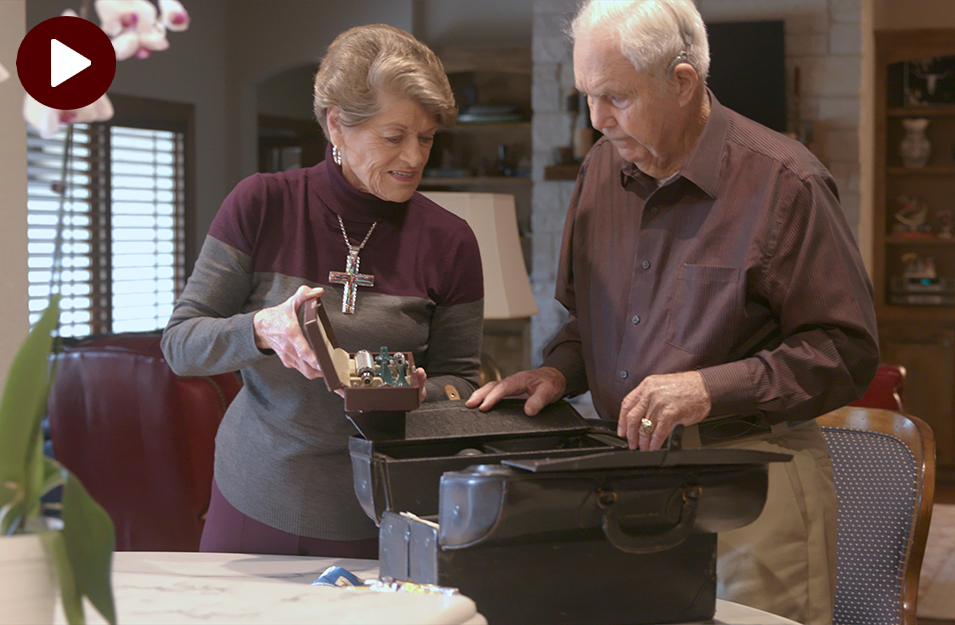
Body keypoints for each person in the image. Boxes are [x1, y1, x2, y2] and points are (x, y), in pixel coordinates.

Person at [466, 2, 878, 623]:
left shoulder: (786, 182)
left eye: (616, 98)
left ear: (682, 82)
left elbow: (844, 351)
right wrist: (557, 373)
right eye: (586, 97)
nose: (597, 120)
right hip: (626, 485)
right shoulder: (600, 170)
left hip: (751, 485)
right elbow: (592, 322)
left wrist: (708, 388)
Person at [161, 24, 484, 559]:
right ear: (337, 124)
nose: (415, 157)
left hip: (383, 510)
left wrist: (416, 390)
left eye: (426, 137)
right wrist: (262, 329)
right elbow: (180, 346)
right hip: (256, 497)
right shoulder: (261, 205)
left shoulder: (450, 240)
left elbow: (460, 382)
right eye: (394, 135)